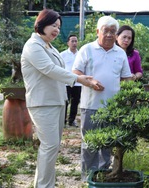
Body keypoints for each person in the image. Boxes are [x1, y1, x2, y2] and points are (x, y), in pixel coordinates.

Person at [20, 9, 101, 188]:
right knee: (49, 146)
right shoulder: (33, 45)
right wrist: (78, 79)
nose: (56, 30)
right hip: (42, 103)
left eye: (58, 26)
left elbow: (59, 71)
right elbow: (49, 69)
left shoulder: (49, 46)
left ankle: (44, 184)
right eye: (53, 25)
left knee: (52, 147)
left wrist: (81, 78)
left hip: (56, 101)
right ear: (41, 24)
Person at [72, 16, 132, 181]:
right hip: (90, 105)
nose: (109, 35)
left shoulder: (120, 53)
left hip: (113, 108)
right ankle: (87, 177)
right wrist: (90, 81)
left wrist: (130, 98)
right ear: (98, 31)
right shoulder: (86, 49)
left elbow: (127, 78)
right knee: (89, 143)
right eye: (106, 31)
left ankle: (103, 175)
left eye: (113, 32)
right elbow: (75, 73)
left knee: (108, 144)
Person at [60, 34, 81, 127]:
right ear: (68, 43)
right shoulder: (62, 55)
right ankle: (62, 120)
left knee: (75, 102)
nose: (74, 43)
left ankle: (71, 120)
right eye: (72, 41)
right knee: (65, 101)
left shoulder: (81, 54)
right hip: (66, 83)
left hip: (78, 83)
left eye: (76, 41)